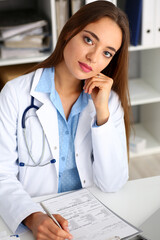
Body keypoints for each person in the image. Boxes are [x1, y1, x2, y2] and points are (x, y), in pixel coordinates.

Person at [0, 1, 131, 239]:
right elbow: (1, 174)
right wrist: (31, 216)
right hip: (35, 218)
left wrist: (102, 115)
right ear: (70, 31)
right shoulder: (15, 94)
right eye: (89, 40)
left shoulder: (107, 102)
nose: (93, 57)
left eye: (107, 53)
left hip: (90, 219)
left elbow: (112, 183)